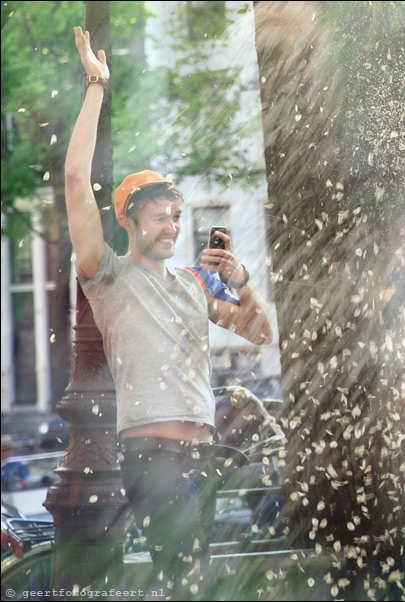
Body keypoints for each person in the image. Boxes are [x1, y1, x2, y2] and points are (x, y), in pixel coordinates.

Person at [67, 27, 274, 596]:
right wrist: (95, 86)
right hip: (152, 454)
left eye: (176, 217)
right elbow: (73, 182)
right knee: (189, 579)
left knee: (193, 580)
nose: (172, 227)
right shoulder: (108, 275)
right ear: (130, 221)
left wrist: (241, 279)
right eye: (159, 216)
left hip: (202, 455)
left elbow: (260, 333)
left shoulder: (192, 282)